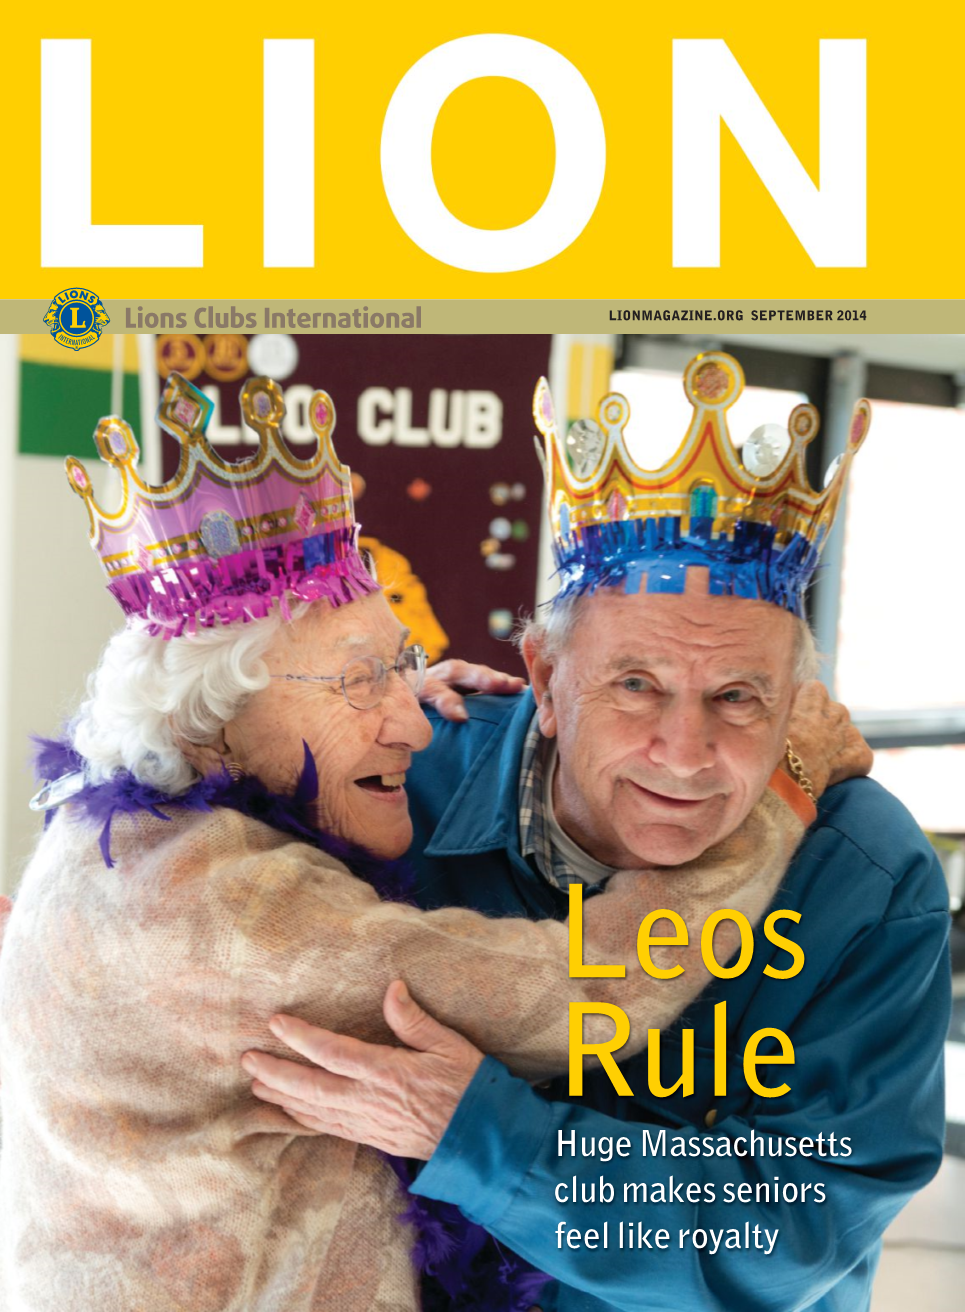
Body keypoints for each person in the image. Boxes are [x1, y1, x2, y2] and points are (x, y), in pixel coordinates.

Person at [0, 370, 851, 1312]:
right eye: (359, 681)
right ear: (213, 715)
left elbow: (803, 1235)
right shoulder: (222, 908)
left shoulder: (124, 849)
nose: (421, 722)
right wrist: (784, 793)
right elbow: (592, 984)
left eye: (403, 664)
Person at [244, 353, 951, 1312]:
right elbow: (170, 869)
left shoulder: (867, 877)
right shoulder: (406, 775)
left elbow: (793, 1230)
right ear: (543, 678)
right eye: (636, 685)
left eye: (739, 697)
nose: (685, 752)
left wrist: (479, 1136)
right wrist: (32, 947)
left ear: (799, 704)